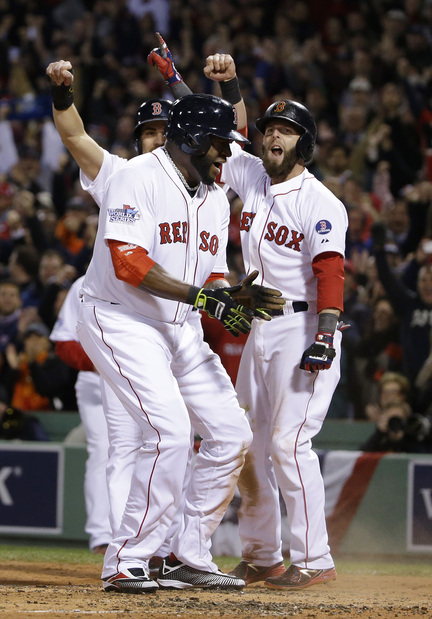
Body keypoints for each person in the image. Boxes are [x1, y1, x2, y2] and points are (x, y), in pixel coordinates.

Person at [77, 92, 285, 593]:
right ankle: (127, 559)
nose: (225, 153)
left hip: (178, 327)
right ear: (190, 138)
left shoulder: (214, 197)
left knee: (231, 434)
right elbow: (128, 263)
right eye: (218, 143)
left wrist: (227, 295)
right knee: (169, 433)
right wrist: (203, 298)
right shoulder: (137, 176)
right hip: (120, 317)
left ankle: (183, 552)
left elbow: (211, 272)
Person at [205, 54, 348, 590]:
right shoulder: (252, 172)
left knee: (289, 443)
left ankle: (316, 559)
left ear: (303, 145)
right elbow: (235, 129)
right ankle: (263, 554)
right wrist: (231, 84)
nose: (274, 137)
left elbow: (331, 272)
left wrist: (326, 337)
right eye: (272, 130)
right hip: (261, 327)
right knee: (249, 444)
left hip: (303, 329)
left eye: (286, 131)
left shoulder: (321, 202)